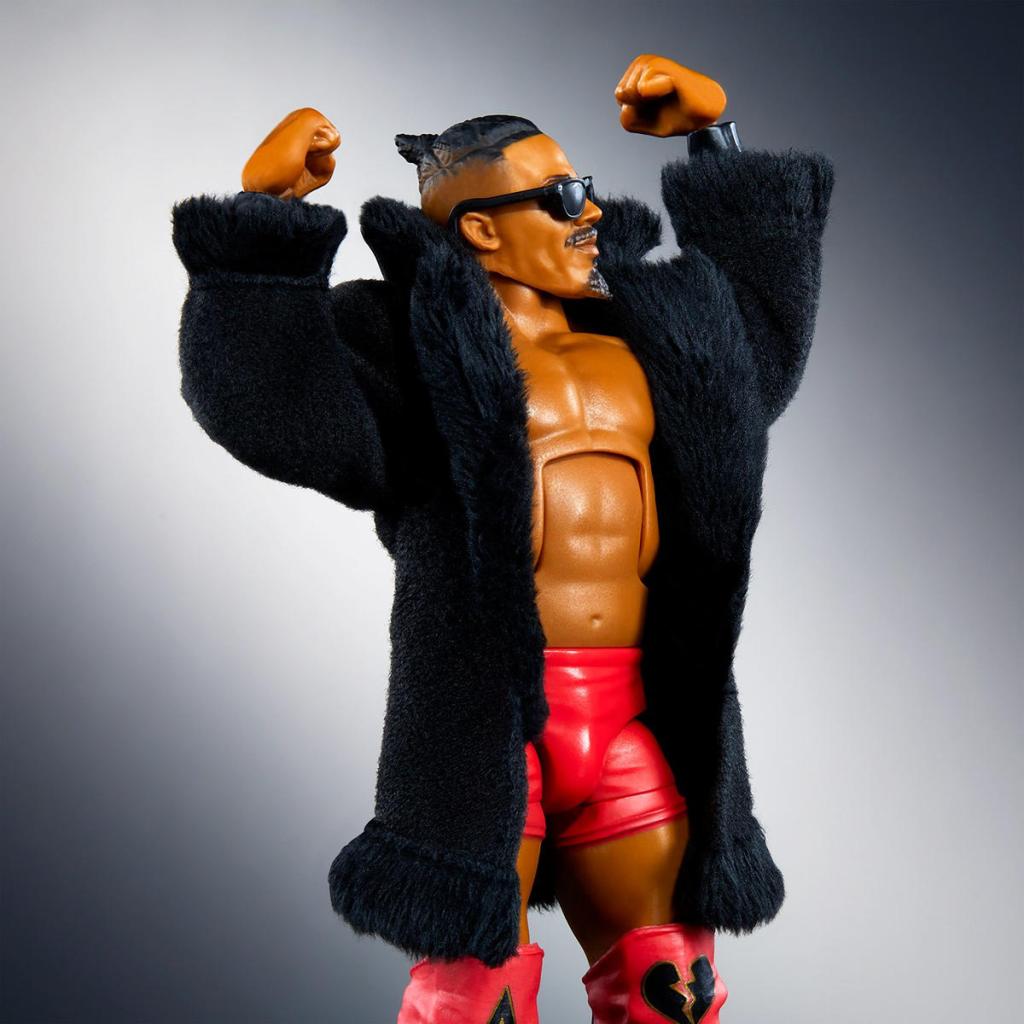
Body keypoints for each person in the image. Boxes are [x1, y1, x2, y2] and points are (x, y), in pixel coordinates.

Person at [172, 53, 833, 1023]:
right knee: (471, 1001)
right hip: (488, 722)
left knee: (672, 992)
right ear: (481, 228)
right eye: (561, 196)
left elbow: (757, 347)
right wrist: (264, 214)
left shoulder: (653, 329)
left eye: (585, 188)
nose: (589, 212)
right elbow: (275, 406)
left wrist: (712, 140)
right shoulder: (414, 342)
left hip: (637, 714)